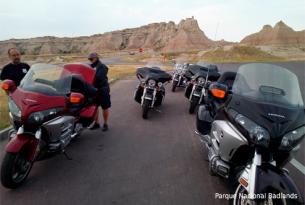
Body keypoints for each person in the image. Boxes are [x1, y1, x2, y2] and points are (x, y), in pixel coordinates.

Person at [88, 52, 111, 131]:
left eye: (91, 59)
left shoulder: (102, 66)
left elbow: (98, 77)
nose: (90, 60)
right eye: (89, 59)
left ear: (96, 58)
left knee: (105, 107)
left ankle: (105, 124)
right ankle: (96, 123)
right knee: (95, 107)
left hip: (103, 90)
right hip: (94, 90)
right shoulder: (91, 66)